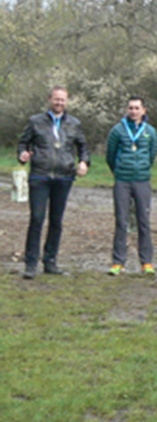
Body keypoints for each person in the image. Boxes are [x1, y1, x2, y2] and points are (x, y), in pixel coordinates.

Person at [17, 86, 90, 279]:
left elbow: (83, 146)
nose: (59, 103)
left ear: (67, 101)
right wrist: (22, 154)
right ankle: (31, 263)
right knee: (37, 218)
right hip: (40, 176)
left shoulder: (74, 123)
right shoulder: (35, 121)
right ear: (49, 99)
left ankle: (50, 261)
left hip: (64, 176)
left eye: (63, 100)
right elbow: (23, 143)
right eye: (56, 99)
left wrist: (83, 161)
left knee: (56, 221)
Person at [106, 96, 157, 276]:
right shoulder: (117, 131)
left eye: (137, 108)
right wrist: (120, 171)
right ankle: (118, 262)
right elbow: (110, 156)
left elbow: (151, 155)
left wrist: (141, 170)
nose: (133, 111)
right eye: (130, 108)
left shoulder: (150, 131)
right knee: (121, 221)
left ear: (143, 110)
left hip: (142, 180)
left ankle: (146, 262)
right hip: (122, 181)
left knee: (144, 221)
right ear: (127, 110)